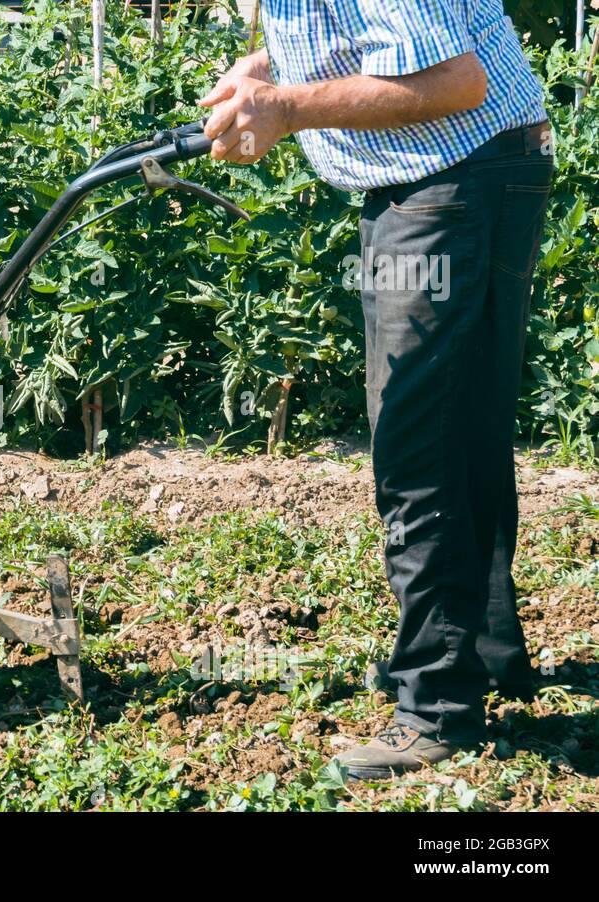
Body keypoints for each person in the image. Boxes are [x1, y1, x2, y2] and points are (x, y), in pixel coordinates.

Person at [198, 0, 553, 779]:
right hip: (484, 171)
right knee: (465, 427)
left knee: (415, 442)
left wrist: (288, 108)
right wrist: (266, 74)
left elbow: (454, 81)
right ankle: (486, 657)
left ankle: (435, 706)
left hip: (447, 184)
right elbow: (365, 42)